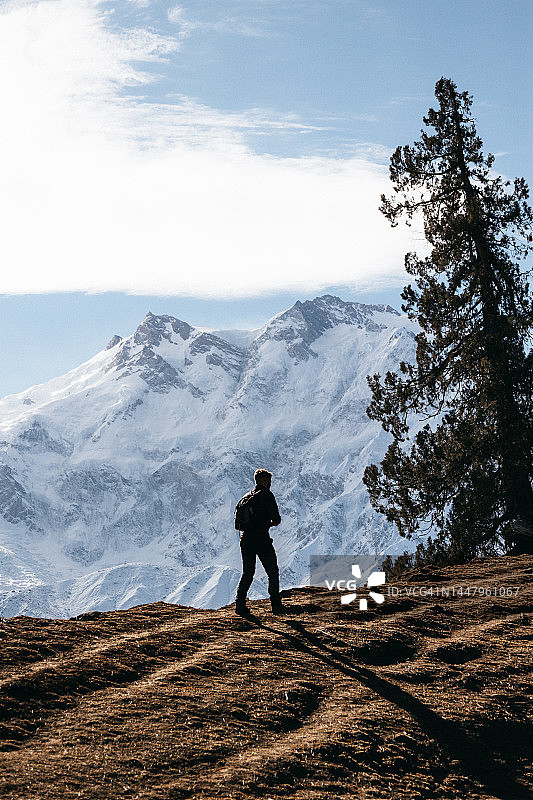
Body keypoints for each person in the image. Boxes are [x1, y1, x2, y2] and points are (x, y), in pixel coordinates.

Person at [235, 468, 287, 616]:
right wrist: (268, 524)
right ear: (264, 481)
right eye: (268, 481)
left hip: (245, 540)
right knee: (272, 572)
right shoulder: (267, 495)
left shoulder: (246, 497)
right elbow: (276, 519)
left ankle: (240, 605)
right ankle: (276, 606)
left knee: (248, 572)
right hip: (262, 540)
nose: (270, 484)